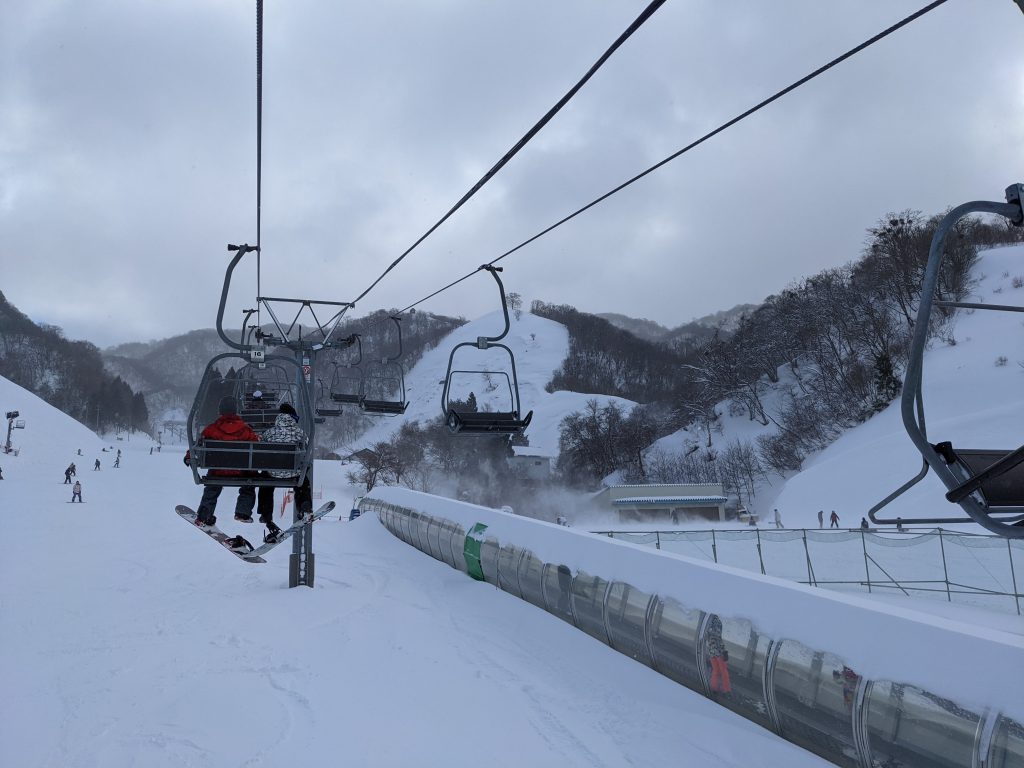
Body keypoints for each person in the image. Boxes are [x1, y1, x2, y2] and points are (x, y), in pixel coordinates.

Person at [184, 396, 266, 530]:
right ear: (235, 411)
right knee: (248, 486)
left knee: (212, 487)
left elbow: (197, 446)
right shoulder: (246, 430)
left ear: (220, 411)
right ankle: (242, 513)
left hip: (218, 471)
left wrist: (189, 457)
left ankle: (204, 515)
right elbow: (255, 448)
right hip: (242, 472)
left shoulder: (211, 429)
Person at [256, 402, 314, 541]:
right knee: (303, 483)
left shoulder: (269, 432)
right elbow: (306, 451)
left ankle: (266, 514)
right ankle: (305, 508)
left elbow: (261, 450)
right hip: (293, 473)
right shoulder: (301, 433)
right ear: (293, 418)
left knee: (265, 487)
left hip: (272, 473)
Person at [706, 614, 732, 695]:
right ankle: (727, 689)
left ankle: (714, 687)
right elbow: (718, 638)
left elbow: (709, 637)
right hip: (718, 651)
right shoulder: (717, 622)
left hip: (711, 651)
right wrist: (723, 651)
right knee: (724, 671)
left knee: (716, 671)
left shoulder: (707, 621)